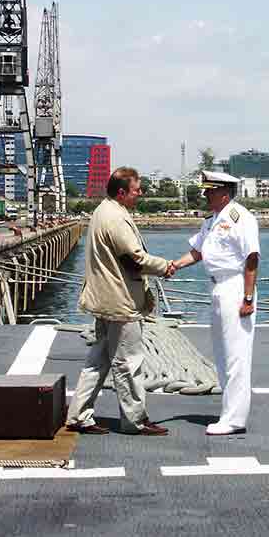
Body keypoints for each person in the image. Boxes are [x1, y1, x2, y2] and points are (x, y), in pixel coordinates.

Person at [66, 167, 174, 436]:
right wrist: (166, 266)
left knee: (98, 360)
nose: (141, 194)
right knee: (129, 363)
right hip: (120, 302)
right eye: (137, 190)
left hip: (105, 299)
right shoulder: (115, 217)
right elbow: (133, 259)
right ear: (122, 192)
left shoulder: (104, 211)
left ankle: (79, 415)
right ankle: (134, 420)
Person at [170, 171, 260, 435]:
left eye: (210, 191)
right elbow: (198, 252)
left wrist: (248, 297)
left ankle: (234, 419)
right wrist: (174, 265)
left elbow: (252, 258)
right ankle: (228, 413)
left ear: (224, 192)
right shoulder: (211, 222)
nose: (206, 195)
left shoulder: (240, 218)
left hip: (235, 286)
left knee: (236, 357)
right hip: (218, 287)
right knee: (222, 356)